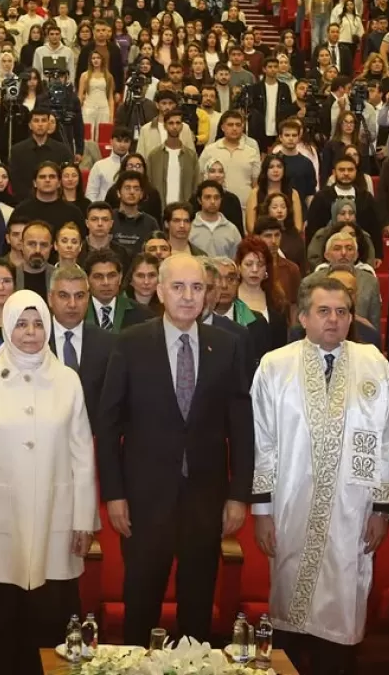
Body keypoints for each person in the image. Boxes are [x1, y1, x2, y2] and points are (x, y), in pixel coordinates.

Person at [98, 254, 253, 645]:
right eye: (179, 287)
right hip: (145, 501)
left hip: (205, 500)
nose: (188, 297)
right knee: (141, 608)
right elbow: (108, 423)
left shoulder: (228, 345)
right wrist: (114, 494)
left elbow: (242, 426)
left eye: (197, 287)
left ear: (208, 294)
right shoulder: (131, 344)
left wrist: (238, 495)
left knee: (197, 611)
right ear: (160, 291)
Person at [250, 276, 389, 673]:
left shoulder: (374, 363)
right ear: (303, 317)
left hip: (354, 508)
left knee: (343, 610)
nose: (334, 320)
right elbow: (263, 442)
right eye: (324, 311)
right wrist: (262, 511)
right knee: (290, 610)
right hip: (290, 505)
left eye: (342, 312)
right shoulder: (275, 366)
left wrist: (382, 508)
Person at [0, 290, 96, 675]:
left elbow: (82, 454)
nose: (30, 332)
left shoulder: (68, 380)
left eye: (37, 323)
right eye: (21, 324)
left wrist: (84, 519)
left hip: (56, 520)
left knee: (52, 627)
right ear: (8, 327)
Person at [46, 264, 115, 431]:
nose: (72, 304)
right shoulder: (37, 342)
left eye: (79, 296)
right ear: (50, 298)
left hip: (92, 439)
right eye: (64, 296)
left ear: (88, 298)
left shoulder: (109, 344)